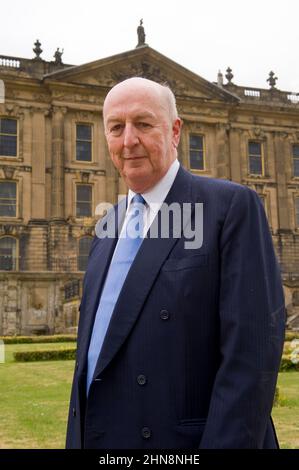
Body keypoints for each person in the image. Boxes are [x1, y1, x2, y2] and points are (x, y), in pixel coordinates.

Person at [66, 77, 285, 449]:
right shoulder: (107, 228)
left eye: (143, 123)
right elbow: (92, 362)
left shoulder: (228, 208)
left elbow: (251, 362)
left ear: (175, 131)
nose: (128, 140)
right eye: (116, 128)